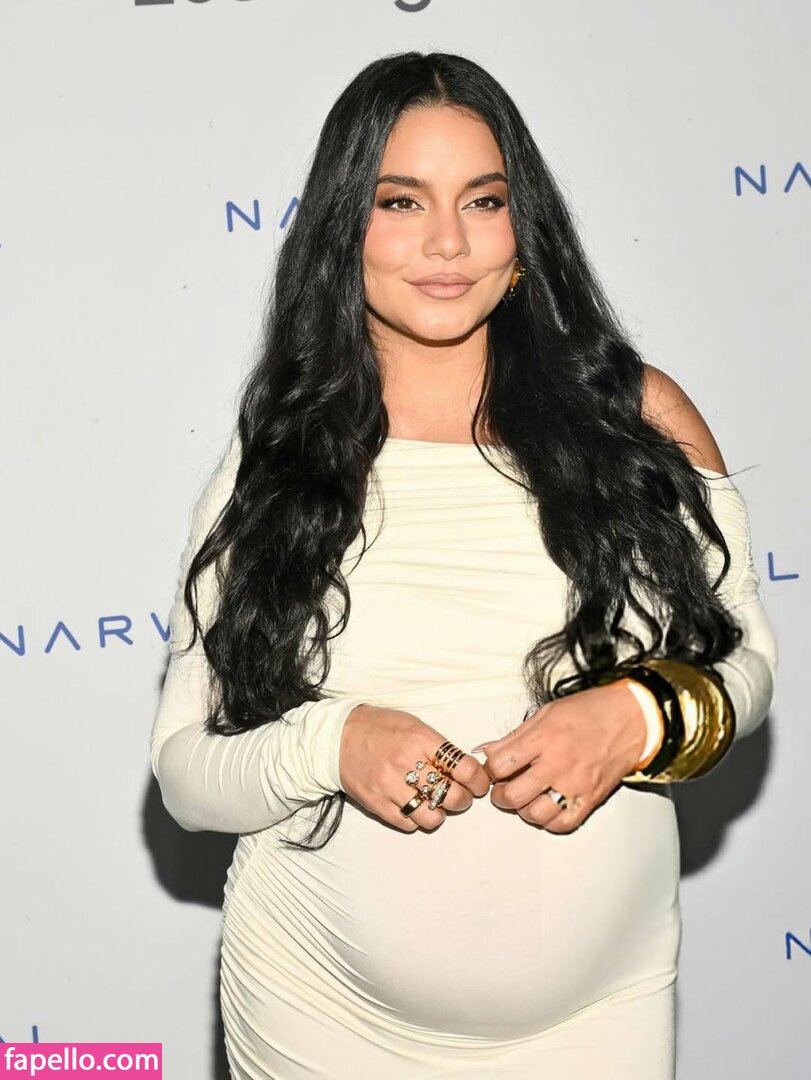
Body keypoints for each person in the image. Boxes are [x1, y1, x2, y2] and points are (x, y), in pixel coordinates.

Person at [149, 51, 778, 1080]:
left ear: (522, 229)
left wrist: (638, 716)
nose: (446, 242)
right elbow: (185, 776)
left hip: (599, 1018)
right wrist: (330, 743)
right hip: (316, 1013)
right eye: (400, 201)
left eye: (482, 201)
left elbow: (746, 665)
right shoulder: (282, 454)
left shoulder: (637, 415)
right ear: (344, 229)